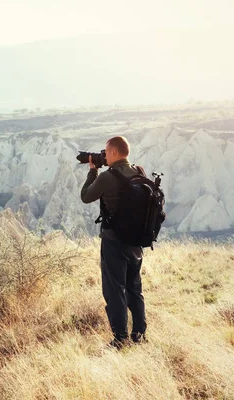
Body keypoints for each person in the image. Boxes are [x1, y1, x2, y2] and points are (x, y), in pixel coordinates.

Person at [80, 136, 147, 349]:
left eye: (106, 153)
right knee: (134, 288)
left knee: (114, 290)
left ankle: (120, 339)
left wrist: (92, 171)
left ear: (115, 153)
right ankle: (139, 335)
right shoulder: (139, 171)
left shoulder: (108, 177)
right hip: (137, 241)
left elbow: (86, 196)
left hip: (114, 242)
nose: (104, 156)